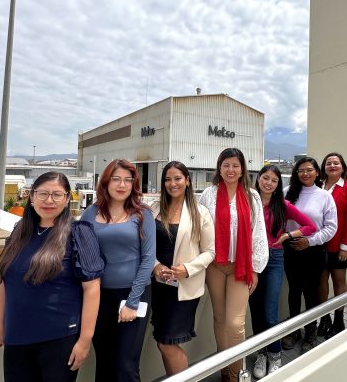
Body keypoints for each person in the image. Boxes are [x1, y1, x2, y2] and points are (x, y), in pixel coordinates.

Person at [0, 172, 104, 382]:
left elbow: (92, 288)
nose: (49, 201)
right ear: (32, 196)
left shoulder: (78, 233)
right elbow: (7, 281)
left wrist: (84, 341)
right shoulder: (20, 232)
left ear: (67, 198)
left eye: (56, 195)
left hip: (59, 338)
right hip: (17, 335)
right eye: (42, 194)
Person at [81, 159, 155, 382]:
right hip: (98, 296)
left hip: (134, 295)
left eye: (128, 180)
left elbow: (148, 258)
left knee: (126, 366)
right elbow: (82, 253)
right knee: (104, 361)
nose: (122, 185)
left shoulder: (142, 214)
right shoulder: (90, 214)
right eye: (116, 179)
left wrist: (133, 302)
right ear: (106, 182)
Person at [198, 148, 268, 382]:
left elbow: (258, 232)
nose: (230, 170)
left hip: (241, 266)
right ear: (219, 167)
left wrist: (256, 268)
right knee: (219, 319)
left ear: (242, 169)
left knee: (235, 324)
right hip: (215, 265)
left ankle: (238, 373)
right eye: (226, 165)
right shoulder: (208, 194)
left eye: (235, 165)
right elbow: (200, 228)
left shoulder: (251, 195)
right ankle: (226, 372)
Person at [249, 165, 317, 379]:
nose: (269, 183)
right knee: (256, 311)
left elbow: (310, 226)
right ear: (258, 179)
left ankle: (275, 355)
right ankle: (261, 353)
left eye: (274, 180)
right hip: (250, 260)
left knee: (269, 312)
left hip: (274, 259)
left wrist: (288, 235)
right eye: (265, 178)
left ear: (279, 185)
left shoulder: (283, 204)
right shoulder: (248, 202)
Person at [150, 161, 215, 376]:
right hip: (159, 286)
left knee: (168, 343)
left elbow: (210, 251)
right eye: (167, 179)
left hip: (184, 289)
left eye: (177, 178)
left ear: (187, 181)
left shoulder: (200, 212)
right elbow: (145, 247)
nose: (172, 183)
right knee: (162, 341)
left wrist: (187, 269)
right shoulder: (154, 208)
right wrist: (156, 266)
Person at [281, 156, 337, 353]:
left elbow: (331, 228)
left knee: (311, 293)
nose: (305, 174)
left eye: (309, 170)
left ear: (317, 173)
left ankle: (310, 332)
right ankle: (293, 330)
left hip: (314, 251)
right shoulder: (287, 193)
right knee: (294, 292)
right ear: (296, 173)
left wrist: (310, 241)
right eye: (301, 170)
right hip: (291, 250)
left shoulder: (324, 196)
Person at [317, 152, 347, 339]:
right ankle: (324, 317)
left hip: (339, 244)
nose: (332, 166)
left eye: (336, 163)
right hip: (318, 243)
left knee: (339, 281)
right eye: (328, 163)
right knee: (320, 281)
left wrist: (345, 247)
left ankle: (339, 318)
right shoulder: (317, 186)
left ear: (342, 167)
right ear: (323, 167)